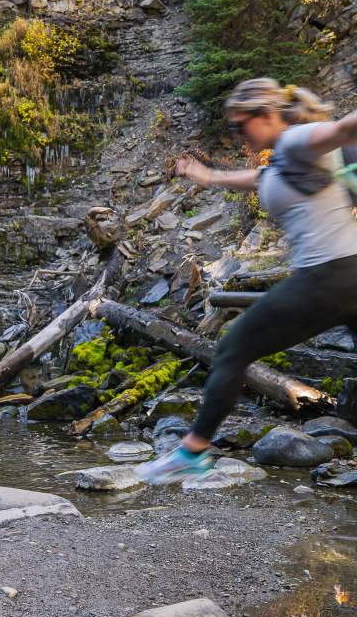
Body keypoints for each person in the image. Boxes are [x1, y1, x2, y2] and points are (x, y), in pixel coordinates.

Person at [136, 77, 357, 484]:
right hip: (348, 274)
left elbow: (344, 129)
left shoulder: (297, 140)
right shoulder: (281, 160)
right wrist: (204, 176)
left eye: (240, 126)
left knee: (232, 351)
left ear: (267, 114)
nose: (237, 134)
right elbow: (253, 179)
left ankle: (194, 452)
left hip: (329, 275)